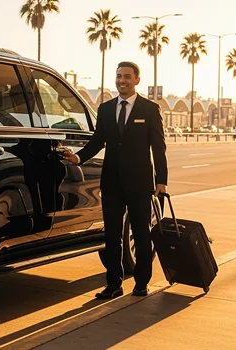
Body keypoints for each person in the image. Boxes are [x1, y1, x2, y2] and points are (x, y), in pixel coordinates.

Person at [64, 61, 168, 299]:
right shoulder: (106, 109)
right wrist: (78, 157)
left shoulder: (150, 109)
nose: (122, 80)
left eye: (127, 77)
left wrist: (161, 180)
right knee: (112, 235)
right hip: (111, 182)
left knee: (141, 233)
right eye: (119, 76)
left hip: (140, 183)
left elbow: (159, 148)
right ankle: (113, 285)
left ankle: (141, 283)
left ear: (137, 80)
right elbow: (98, 140)